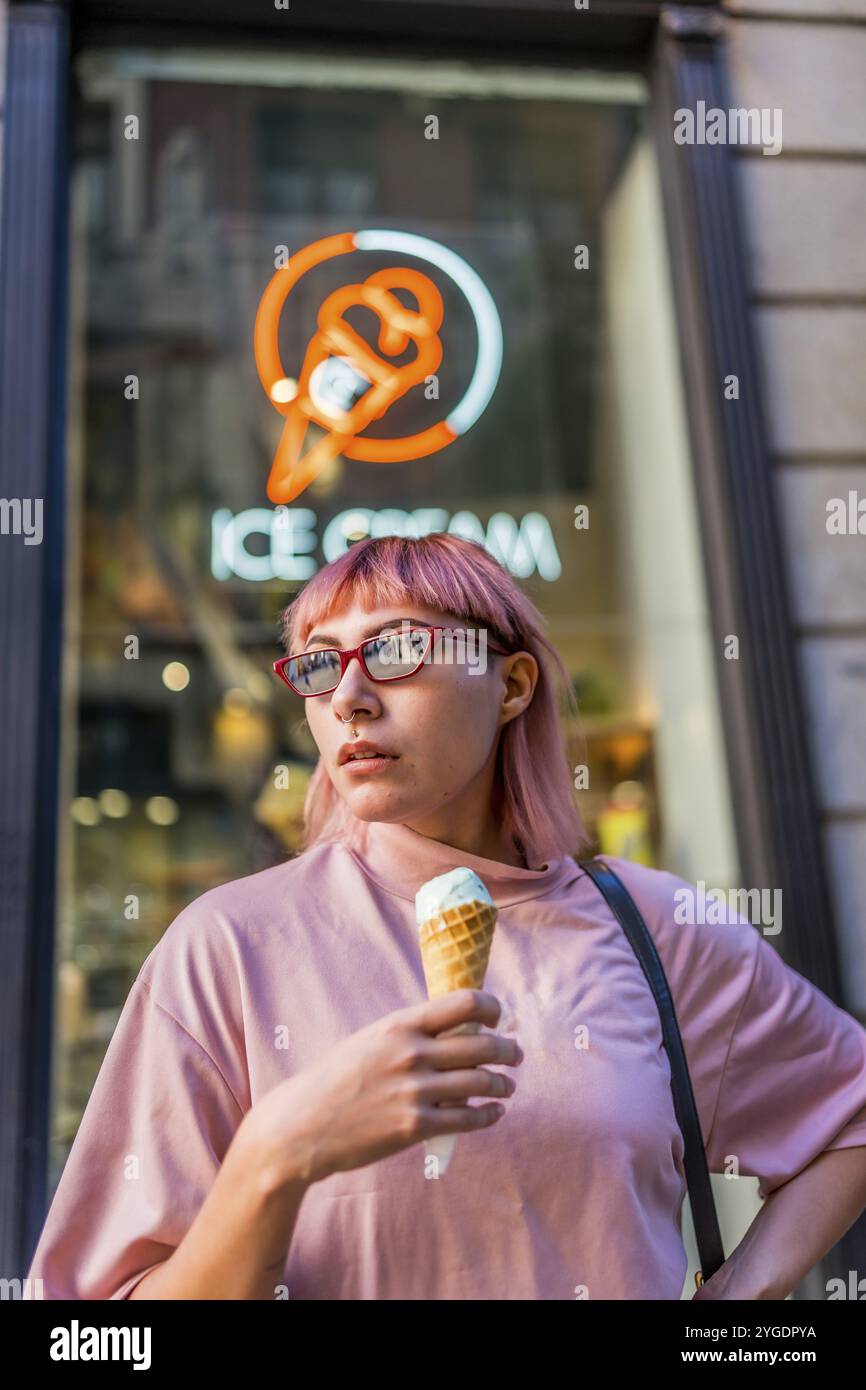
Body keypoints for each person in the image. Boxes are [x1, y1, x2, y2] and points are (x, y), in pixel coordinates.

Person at [25, 534, 866, 1300]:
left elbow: (850, 1112)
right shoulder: (225, 948)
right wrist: (273, 1157)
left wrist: (738, 1306)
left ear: (511, 683)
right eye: (319, 666)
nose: (350, 695)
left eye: (395, 650)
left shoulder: (653, 925)